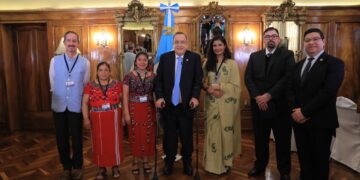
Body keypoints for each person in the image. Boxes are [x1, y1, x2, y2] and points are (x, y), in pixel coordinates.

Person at [287, 28, 344, 180]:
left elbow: (327, 92)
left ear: (323, 42)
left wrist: (304, 112)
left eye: (315, 39)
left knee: (320, 163)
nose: (311, 42)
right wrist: (295, 111)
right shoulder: (297, 66)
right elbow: (290, 90)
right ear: (304, 43)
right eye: (307, 40)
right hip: (299, 122)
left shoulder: (334, 63)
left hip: (321, 122)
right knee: (304, 161)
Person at [244, 27, 295, 180]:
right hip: (259, 105)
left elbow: (287, 77)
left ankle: (284, 171)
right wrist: (258, 97)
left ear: (278, 39)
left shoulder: (287, 55)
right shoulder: (254, 56)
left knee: (282, 140)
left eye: (274, 36)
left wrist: (269, 95)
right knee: (260, 139)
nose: (271, 38)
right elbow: (248, 78)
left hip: (280, 106)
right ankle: (260, 166)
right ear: (263, 39)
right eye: (267, 36)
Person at [154, 32, 203, 176]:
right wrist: (159, 97)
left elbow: (197, 80)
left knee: (186, 137)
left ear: (187, 44)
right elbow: (158, 81)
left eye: (182, 42)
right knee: (169, 137)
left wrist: (195, 97)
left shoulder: (194, 58)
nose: (180, 45)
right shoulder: (165, 58)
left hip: (186, 106)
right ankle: (169, 162)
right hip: (168, 106)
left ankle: (187, 162)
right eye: (177, 42)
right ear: (173, 44)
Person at [49, 31, 90, 180]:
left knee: (77, 138)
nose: (71, 43)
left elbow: (85, 84)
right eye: (69, 41)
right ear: (64, 43)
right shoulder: (55, 61)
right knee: (61, 138)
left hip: (76, 106)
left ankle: (78, 166)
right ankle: (66, 167)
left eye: (74, 41)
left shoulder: (85, 62)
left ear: (78, 43)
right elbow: (52, 83)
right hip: (59, 106)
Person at [202, 36, 241, 175]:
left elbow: (236, 87)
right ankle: (211, 165)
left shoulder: (232, 64)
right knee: (212, 134)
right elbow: (201, 81)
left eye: (220, 45)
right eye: (214, 46)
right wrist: (208, 88)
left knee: (225, 134)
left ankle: (225, 163)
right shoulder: (207, 62)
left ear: (225, 46)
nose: (217, 48)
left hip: (226, 106)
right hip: (211, 104)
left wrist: (220, 87)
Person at [82, 61, 124, 179]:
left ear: (110, 72)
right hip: (97, 119)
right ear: (97, 72)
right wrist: (85, 118)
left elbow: (123, 101)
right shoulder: (90, 85)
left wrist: (124, 116)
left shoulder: (117, 84)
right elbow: (85, 103)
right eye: (101, 70)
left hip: (114, 119)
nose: (104, 72)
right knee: (99, 144)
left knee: (114, 143)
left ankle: (115, 166)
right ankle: (101, 168)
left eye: (106, 70)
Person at [123, 52, 156, 175]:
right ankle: (135, 161)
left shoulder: (153, 76)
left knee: (148, 135)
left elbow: (158, 92)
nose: (142, 62)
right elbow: (125, 95)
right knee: (135, 135)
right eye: (140, 60)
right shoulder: (128, 76)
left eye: (145, 60)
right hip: (133, 109)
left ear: (148, 62)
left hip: (148, 110)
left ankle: (146, 161)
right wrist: (126, 113)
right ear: (135, 61)